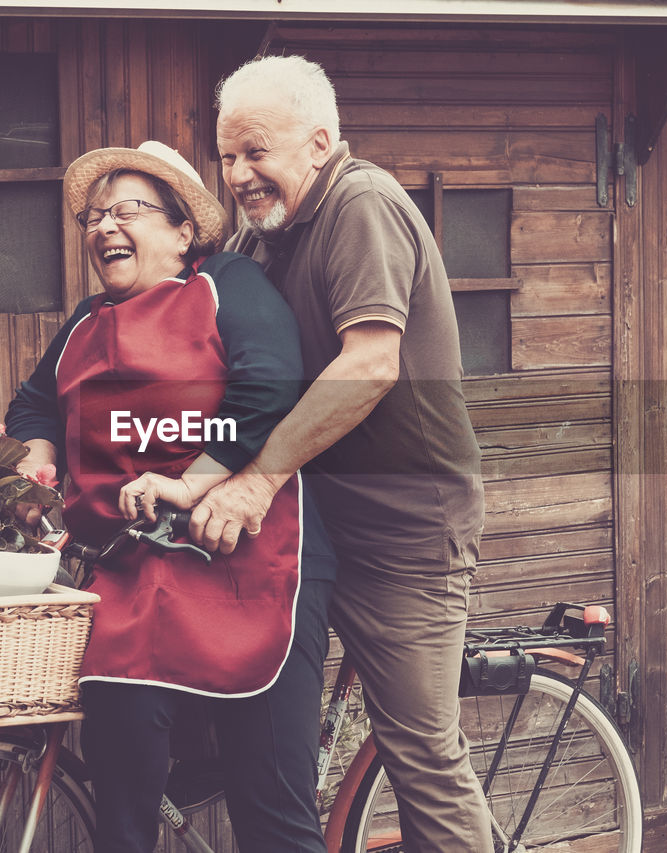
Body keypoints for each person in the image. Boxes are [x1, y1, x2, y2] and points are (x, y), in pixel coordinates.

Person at [192, 56, 491, 851]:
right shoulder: (269, 240)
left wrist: (255, 481)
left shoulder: (360, 204)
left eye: (256, 151)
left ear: (320, 143)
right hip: (320, 533)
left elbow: (369, 363)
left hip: (405, 535)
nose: (239, 174)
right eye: (227, 156)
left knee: (419, 749)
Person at [5, 141, 334, 853]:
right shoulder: (84, 325)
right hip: (128, 577)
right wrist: (37, 463)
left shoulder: (228, 285)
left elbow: (271, 382)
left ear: (185, 232)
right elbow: (32, 406)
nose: (103, 226)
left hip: (248, 566)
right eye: (95, 216)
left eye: (128, 209)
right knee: (123, 817)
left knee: (272, 816)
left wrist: (194, 479)